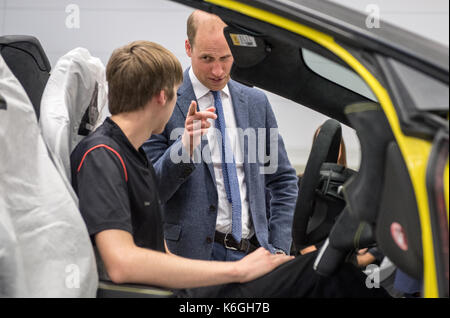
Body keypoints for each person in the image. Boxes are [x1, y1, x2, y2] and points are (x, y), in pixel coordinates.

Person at [71, 40, 389, 298]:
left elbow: (159, 250)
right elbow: (122, 265)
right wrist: (237, 272)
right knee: (325, 277)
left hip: (188, 287)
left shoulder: (131, 154)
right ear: (162, 97)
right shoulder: (102, 155)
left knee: (322, 269)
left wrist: (261, 261)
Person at [142, 10, 298, 261]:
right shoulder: (163, 100)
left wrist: (278, 247)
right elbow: (150, 191)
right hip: (189, 259)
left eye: (225, 57)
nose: (217, 70)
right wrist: (184, 148)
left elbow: (282, 181)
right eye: (207, 58)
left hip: (253, 255)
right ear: (188, 47)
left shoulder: (257, 103)